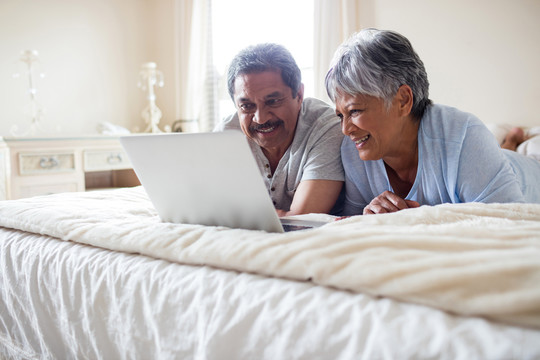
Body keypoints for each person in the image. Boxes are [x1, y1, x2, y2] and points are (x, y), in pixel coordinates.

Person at [324, 28, 540, 215]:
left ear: (403, 100)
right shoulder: (353, 152)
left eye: (354, 111)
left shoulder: (465, 136)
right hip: (488, 164)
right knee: (500, 152)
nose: (345, 129)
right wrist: (370, 213)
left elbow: (508, 223)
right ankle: (510, 141)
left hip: (531, 174)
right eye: (340, 115)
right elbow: (352, 223)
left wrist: (426, 221)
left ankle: (513, 140)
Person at [214, 43, 344, 216]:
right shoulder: (227, 135)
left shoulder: (326, 127)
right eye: (246, 106)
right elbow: (207, 207)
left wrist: (234, 214)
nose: (260, 118)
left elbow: (303, 218)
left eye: (273, 101)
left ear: (298, 95)